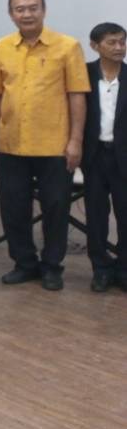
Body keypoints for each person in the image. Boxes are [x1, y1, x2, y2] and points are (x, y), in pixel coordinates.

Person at [0, 0, 89, 291]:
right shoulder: (0, 48)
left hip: (54, 144)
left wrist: (76, 140)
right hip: (11, 143)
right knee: (13, 208)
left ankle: (52, 266)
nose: (27, 14)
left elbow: (77, 95)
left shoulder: (68, 46)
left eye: (33, 8)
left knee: (56, 208)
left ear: (44, 11)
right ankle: (24, 263)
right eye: (20, 9)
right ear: (11, 14)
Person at [83, 22, 126, 292]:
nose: (119, 47)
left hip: (123, 156)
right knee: (96, 215)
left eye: (122, 41)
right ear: (95, 46)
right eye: (112, 42)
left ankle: (124, 269)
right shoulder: (83, 75)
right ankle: (100, 268)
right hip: (94, 155)